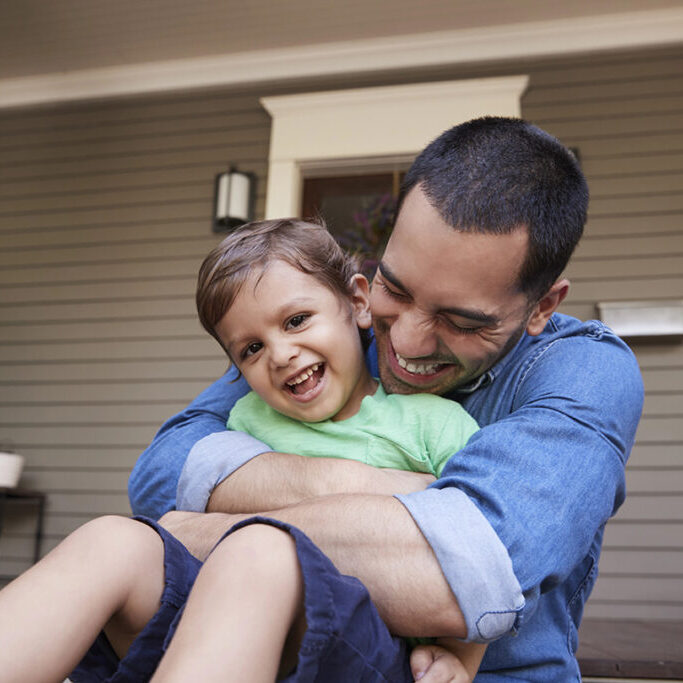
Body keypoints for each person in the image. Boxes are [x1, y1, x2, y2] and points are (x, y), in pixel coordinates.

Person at [130, 116, 644, 681]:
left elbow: (460, 573)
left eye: (460, 320)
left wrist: (199, 532)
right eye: (394, 290)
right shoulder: (327, 343)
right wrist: (397, 492)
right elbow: (161, 474)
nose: (402, 340)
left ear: (542, 306)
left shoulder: (585, 372)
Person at [0, 220, 484, 683]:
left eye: (296, 320)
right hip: (227, 622)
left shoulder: (431, 424)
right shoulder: (246, 422)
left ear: (359, 303)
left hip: (370, 643)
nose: (279, 353)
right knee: (111, 538)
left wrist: (462, 657)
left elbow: (491, 552)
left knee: (261, 543)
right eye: (251, 349)